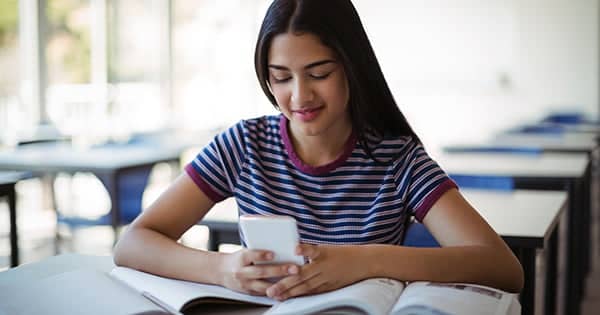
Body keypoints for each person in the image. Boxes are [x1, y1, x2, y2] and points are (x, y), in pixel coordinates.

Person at [114, 0, 523, 301]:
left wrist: (366, 260)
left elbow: (503, 268)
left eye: (319, 73)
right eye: (281, 78)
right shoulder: (243, 145)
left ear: (352, 68)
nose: (299, 96)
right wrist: (222, 268)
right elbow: (133, 244)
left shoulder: (397, 159)